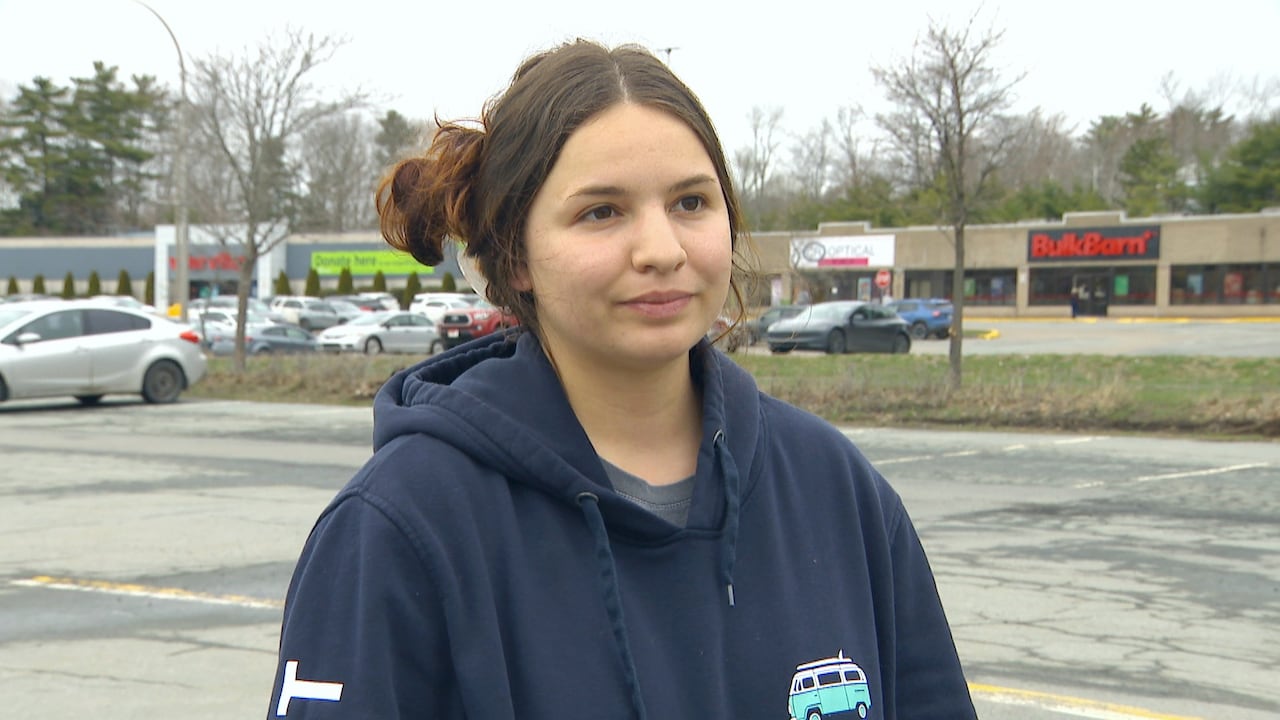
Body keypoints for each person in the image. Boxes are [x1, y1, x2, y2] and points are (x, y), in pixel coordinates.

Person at [266, 39, 976, 719]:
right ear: (514, 257)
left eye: (691, 203)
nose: (661, 250)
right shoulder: (399, 525)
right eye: (601, 212)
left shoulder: (837, 492)